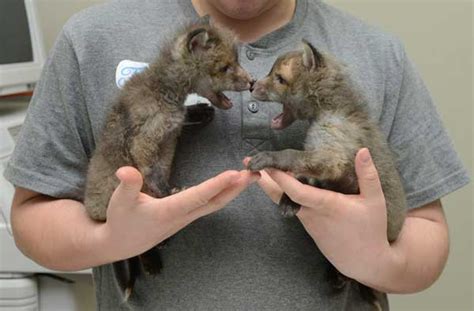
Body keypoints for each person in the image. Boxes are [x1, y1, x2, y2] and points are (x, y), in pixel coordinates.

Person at [4, 0, 469, 310]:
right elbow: (31, 215)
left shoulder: (378, 55)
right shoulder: (92, 38)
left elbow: (427, 238)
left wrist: (375, 259)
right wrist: (110, 241)